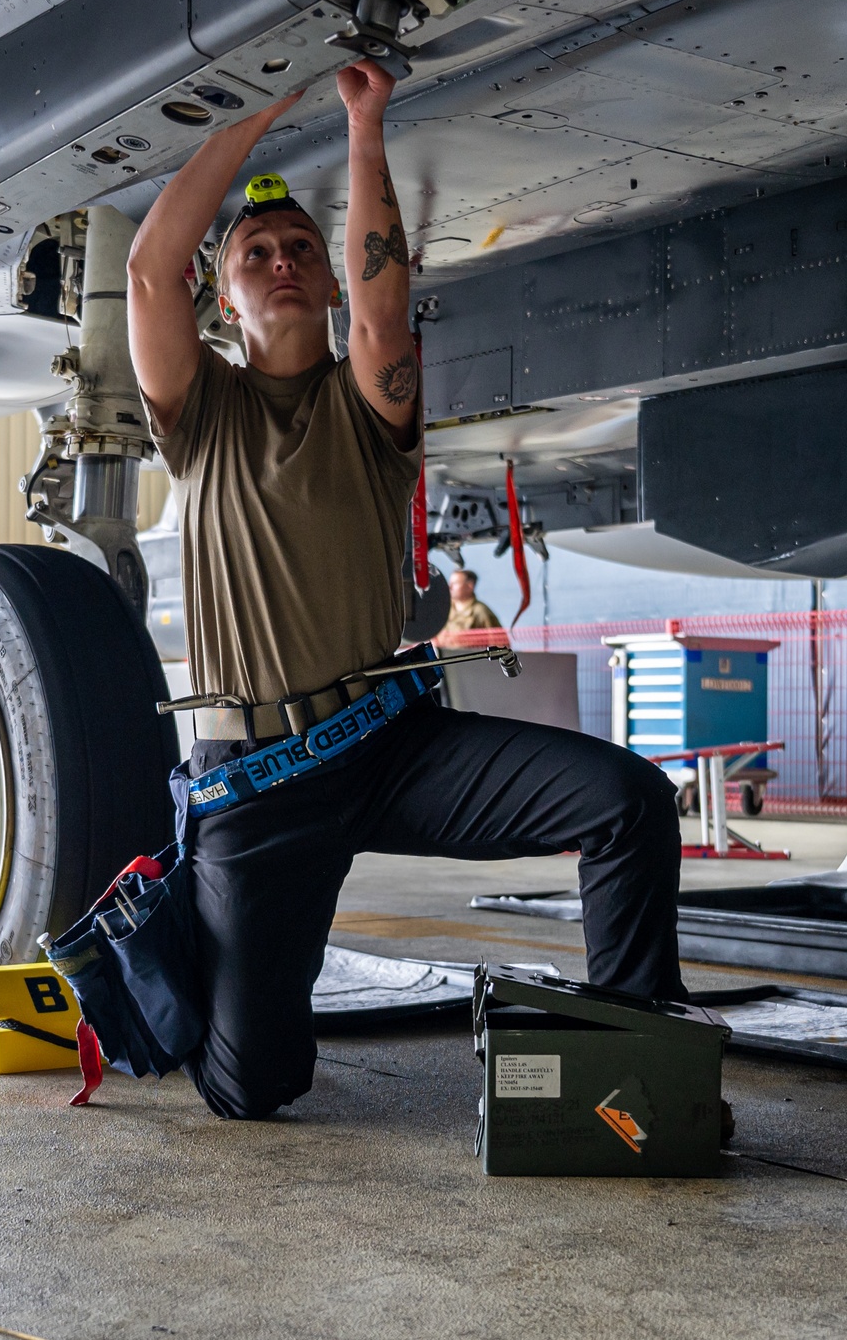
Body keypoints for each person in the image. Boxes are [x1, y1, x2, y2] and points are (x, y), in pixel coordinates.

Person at [126, 60, 686, 1122]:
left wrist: (363, 124)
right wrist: (256, 114)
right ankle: (198, 941)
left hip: (393, 747)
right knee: (252, 1091)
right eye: (257, 253)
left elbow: (385, 311)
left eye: (301, 250)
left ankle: (638, 1058)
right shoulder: (198, 416)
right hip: (259, 781)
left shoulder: (369, 408)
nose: (283, 262)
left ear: (330, 280)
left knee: (628, 803)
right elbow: (152, 273)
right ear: (227, 289)